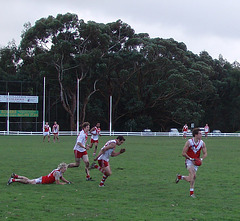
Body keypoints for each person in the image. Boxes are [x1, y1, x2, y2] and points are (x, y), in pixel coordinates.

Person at [175, 128, 207, 198]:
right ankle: (191, 193)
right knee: (192, 175)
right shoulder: (189, 142)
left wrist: (201, 159)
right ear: (196, 135)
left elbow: (205, 153)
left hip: (196, 162)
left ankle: (180, 177)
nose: (201, 135)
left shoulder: (202, 143)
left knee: (191, 178)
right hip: (189, 161)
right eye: (200, 134)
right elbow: (183, 153)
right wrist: (190, 159)